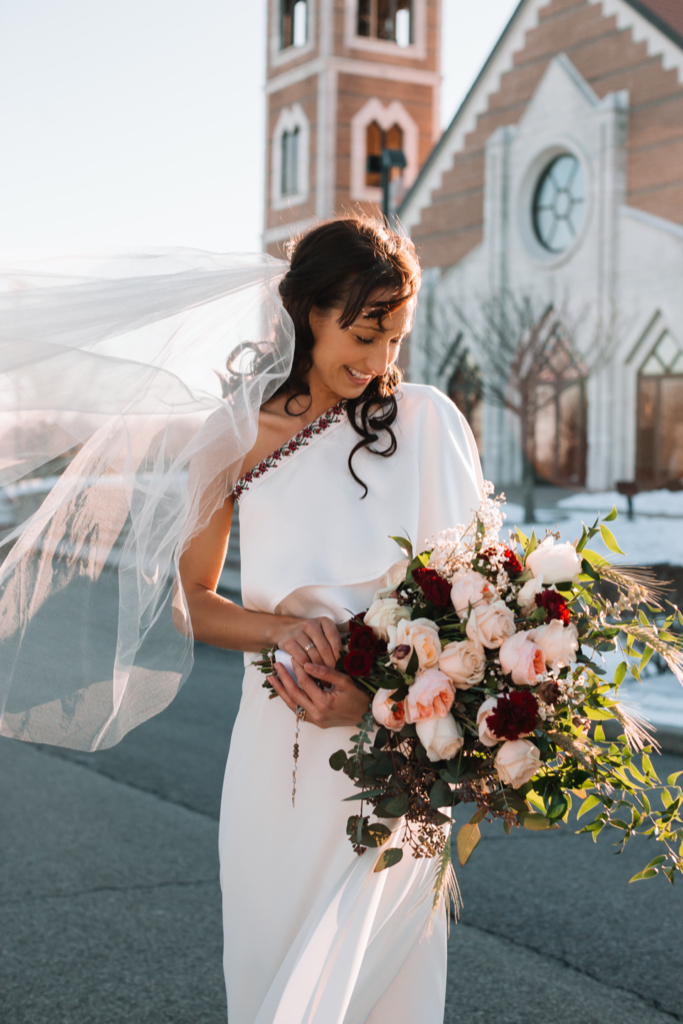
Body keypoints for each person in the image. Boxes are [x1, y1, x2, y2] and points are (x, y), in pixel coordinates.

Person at [178, 216, 484, 1024]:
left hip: (398, 744)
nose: (380, 361)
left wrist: (381, 703)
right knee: (272, 970)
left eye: (395, 338)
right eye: (363, 332)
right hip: (278, 751)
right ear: (308, 310)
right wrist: (280, 631)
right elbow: (193, 599)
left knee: (389, 993)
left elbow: (474, 606)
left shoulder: (424, 422)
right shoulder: (235, 435)